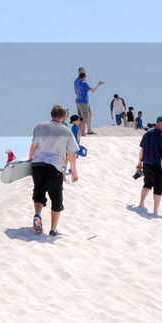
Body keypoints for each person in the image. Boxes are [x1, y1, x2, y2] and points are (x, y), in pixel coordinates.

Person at [28, 104, 80, 236]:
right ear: (63, 117)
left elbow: (33, 147)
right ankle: (53, 230)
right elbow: (71, 154)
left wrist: (30, 162)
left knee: (39, 192)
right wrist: (74, 172)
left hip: (37, 165)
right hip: (55, 167)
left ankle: (37, 215)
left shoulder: (40, 126)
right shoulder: (66, 131)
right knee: (56, 198)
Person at [136, 115, 162, 215]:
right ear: (160, 123)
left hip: (147, 164)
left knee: (147, 184)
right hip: (158, 166)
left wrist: (139, 163)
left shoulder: (147, 134)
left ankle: (141, 203)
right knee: (158, 188)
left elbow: (142, 150)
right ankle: (155, 211)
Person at [73, 68, 105, 137]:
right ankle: (82, 133)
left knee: (89, 114)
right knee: (83, 118)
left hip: (81, 101)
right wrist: (98, 85)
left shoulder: (76, 81)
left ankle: (89, 130)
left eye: (84, 71)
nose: (84, 71)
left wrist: (79, 96)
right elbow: (92, 90)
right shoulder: (83, 82)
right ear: (79, 72)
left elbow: (75, 91)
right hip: (83, 101)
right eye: (82, 71)